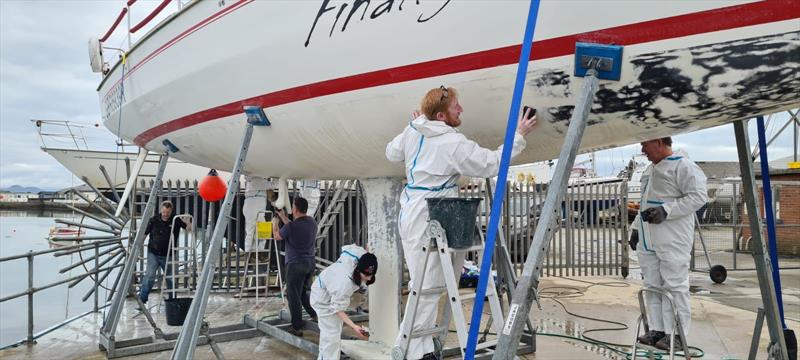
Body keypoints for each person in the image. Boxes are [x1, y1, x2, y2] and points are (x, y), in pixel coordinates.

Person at [385, 85, 538, 360]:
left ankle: (422, 348)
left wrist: (415, 123)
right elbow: (490, 163)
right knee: (428, 287)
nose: (462, 109)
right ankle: (410, 351)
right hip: (433, 215)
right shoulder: (451, 143)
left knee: (425, 284)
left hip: (411, 212)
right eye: (457, 106)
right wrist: (518, 136)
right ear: (442, 116)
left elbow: (391, 153)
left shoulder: (414, 131)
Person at [632, 137, 707, 351]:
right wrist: (636, 229)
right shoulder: (651, 169)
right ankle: (658, 329)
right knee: (653, 286)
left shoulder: (683, 166)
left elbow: (698, 197)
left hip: (672, 239)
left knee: (675, 287)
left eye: (644, 144)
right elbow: (646, 202)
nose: (642, 149)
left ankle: (678, 333)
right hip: (649, 240)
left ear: (658, 142)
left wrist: (667, 210)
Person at [310, 244, 377, 360]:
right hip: (322, 298)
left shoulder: (359, 255)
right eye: (366, 275)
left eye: (371, 274)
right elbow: (338, 309)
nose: (369, 278)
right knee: (331, 337)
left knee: (335, 330)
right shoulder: (344, 283)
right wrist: (355, 327)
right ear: (358, 270)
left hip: (330, 285)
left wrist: (368, 250)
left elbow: (347, 248)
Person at [273, 196, 318, 336]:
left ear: (295, 209)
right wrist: (283, 217)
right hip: (309, 263)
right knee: (303, 292)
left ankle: (296, 327)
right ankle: (314, 314)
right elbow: (291, 227)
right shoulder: (312, 222)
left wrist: (275, 223)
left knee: (293, 296)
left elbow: (277, 236)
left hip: (295, 264)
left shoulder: (291, 227)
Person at [139, 200, 192, 304]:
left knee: (171, 279)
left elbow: (189, 229)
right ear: (160, 210)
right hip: (153, 253)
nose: (165, 214)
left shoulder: (175, 220)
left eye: (167, 212)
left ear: (171, 211)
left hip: (169, 254)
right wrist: (137, 248)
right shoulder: (153, 220)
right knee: (149, 276)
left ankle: (172, 301)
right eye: (163, 212)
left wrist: (188, 222)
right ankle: (142, 300)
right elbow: (144, 235)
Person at [242, 175, 277, 252]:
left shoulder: (258, 180)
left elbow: (269, 188)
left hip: (258, 207)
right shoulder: (255, 179)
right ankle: (249, 253)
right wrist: (278, 176)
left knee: (262, 231)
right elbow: (272, 185)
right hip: (252, 206)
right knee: (250, 232)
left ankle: (258, 252)